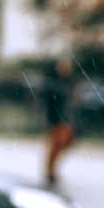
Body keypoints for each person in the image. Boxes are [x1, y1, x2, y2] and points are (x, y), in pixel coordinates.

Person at [42, 55, 78, 186]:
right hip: (57, 119)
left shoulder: (68, 82)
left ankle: (51, 170)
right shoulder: (54, 83)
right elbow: (51, 102)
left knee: (64, 143)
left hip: (66, 119)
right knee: (56, 145)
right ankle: (50, 171)